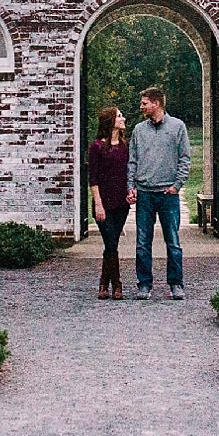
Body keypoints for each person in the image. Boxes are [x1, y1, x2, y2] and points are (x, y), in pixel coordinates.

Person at [126, 85, 190, 299]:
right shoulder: (138, 130)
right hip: (144, 194)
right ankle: (144, 284)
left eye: (144, 103)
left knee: (173, 242)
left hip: (167, 195)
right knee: (142, 243)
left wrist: (177, 185)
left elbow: (184, 159)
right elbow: (132, 161)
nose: (141, 107)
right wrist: (130, 187)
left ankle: (176, 284)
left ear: (156, 103)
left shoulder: (178, 127)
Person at [86, 105, 130, 300]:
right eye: (119, 116)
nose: (123, 118)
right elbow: (93, 178)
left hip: (121, 204)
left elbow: (128, 173)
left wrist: (132, 191)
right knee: (111, 243)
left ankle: (104, 282)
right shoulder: (96, 147)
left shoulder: (124, 146)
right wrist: (98, 204)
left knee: (111, 243)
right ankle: (116, 283)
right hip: (103, 203)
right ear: (111, 121)